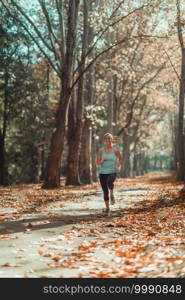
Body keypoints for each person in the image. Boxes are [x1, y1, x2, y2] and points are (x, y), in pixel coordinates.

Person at [96, 133, 123, 216]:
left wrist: (118, 166)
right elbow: (98, 163)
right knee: (105, 191)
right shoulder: (101, 150)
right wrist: (102, 161)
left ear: (112, 140)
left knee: (109, 182)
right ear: (104, 140)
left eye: (109, 138)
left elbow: (120, 158)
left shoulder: (115, 150)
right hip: (102, 173)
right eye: (106, 139)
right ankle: (107, 209)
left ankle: (112, 194)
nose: (108, 140)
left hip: (112, 171)